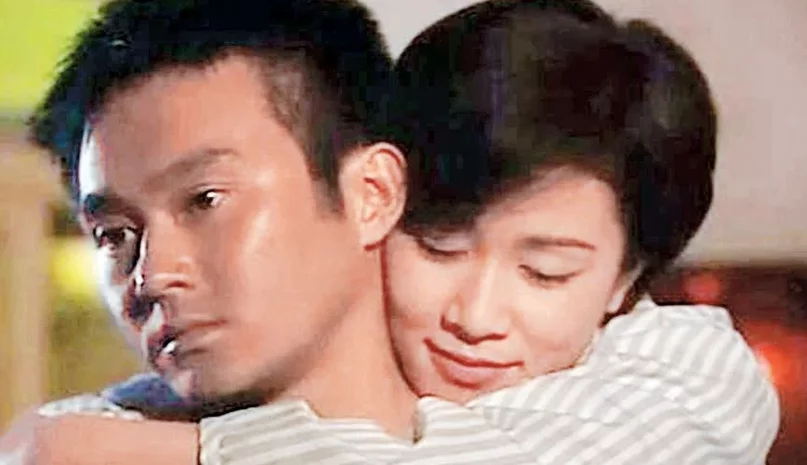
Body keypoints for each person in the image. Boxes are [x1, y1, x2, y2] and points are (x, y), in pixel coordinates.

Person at [1, 0, 778, 464]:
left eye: (545, 271)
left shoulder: (673, 377)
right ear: (386, 199)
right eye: (438, 245)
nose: (474, 316)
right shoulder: (114, 425)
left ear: (624, 282)